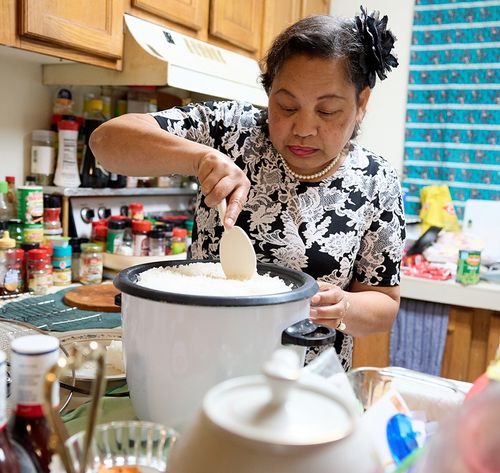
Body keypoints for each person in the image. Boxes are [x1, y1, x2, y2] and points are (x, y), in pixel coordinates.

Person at [90, 7, 405, 369]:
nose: (303, 128)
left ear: (361, 103)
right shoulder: (230, 131)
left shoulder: (376, 180)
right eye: (286, 106)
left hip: (307, 382)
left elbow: (383, 304)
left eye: (328, 111)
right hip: (198, 363)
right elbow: (105, 141)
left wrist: (342, 307)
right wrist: (197, 157)